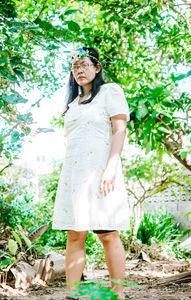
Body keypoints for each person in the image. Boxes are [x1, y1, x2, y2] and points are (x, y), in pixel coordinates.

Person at [52, 47, 130, 300]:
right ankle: (72, 294)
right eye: (75, 67)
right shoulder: (73, 104)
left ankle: (117, 293)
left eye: (84, 65)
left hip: (102, 172)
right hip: (74, 176)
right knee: (75, 233)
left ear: (97, 68)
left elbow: (119, 131)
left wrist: (111, 168)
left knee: (107, 233)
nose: (79, 70)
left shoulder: (110, 91)